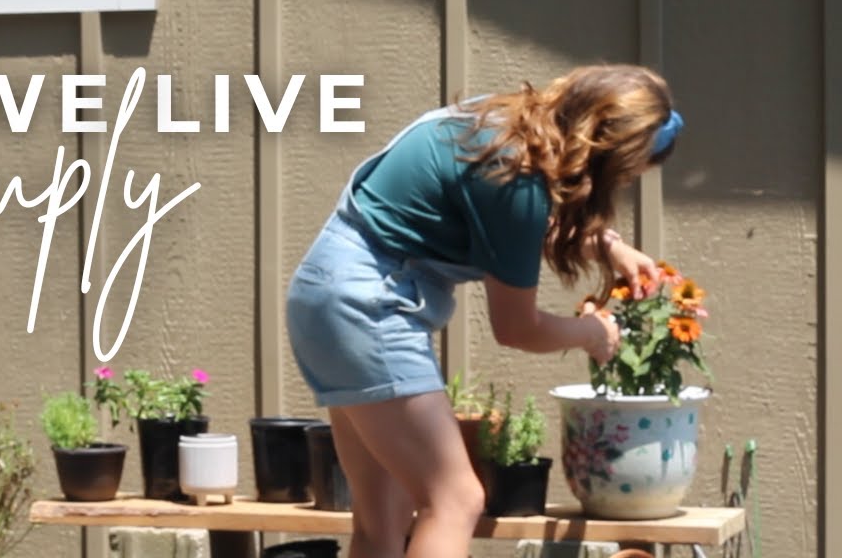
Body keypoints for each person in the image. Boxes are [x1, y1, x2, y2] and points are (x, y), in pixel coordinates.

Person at [285, 64, 682, 558]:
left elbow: (502, 226)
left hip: (323, 295)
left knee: (380, 520)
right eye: (624, 174)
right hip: (370, 306)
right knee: (455, 499)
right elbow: (517, 328)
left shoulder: (495, 126)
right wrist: (591, 333)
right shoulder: (517, 179)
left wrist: (606, 245)